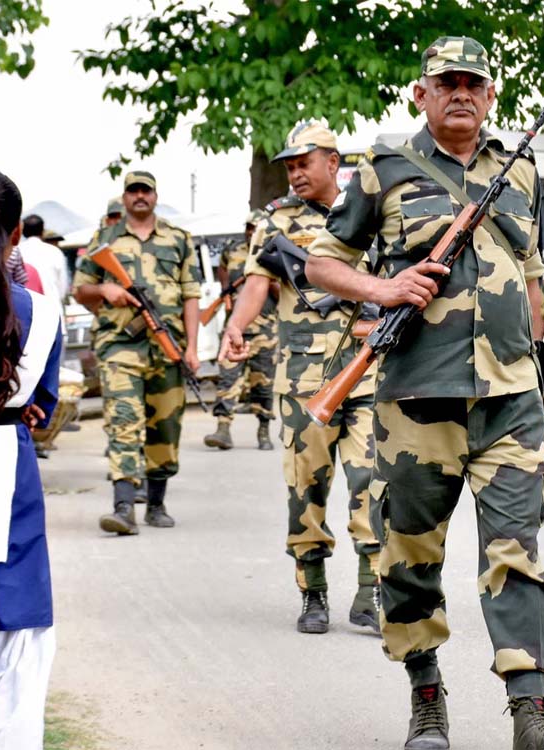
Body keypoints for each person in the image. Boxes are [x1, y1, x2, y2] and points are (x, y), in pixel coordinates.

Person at [305, 35, 544, 750]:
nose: (461, 92)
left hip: (511, 398)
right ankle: (426, 699)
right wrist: (384, 289)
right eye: (447, 82)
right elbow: (322, 263)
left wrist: (538, 357)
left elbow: (530, 271)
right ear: (422, 94)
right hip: (417, 399)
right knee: (410, 556)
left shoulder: (520, 169)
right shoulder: (383, 169)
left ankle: (531, 714)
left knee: (517, 554)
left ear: (490, 95)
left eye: (473, 83)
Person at [218, 121, 381, 636]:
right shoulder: (278, 222)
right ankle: (313, 590)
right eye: (289, 166)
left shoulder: (370, 211)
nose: (295, 173)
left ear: (332, 162)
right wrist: (236, 327)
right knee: (306, 488)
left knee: (372, 481)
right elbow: (256, 284)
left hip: (369, 370)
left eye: (303, 163)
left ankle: (370, 592)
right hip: (305, 379)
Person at [73, 170, 201, 535]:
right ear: (125, 197)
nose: (140, 196)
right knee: (124, 420)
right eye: (133, 191)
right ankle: (124, 507)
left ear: (155, 196)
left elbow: (191, 295)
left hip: (167, 346)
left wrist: (192, 348)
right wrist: (105, 291)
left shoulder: (178, 239)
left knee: (166, 427)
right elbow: (80, 289)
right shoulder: (104, 239)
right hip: (120, 346)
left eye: (146, 190)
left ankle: (156, 504)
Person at [0, 170, 63, 750]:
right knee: (15, 627)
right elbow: (42, 404)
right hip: (5, 470)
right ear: (17, 234)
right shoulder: (42, 310)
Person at [204, 209, 277, 451]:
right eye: (248, 228)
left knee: (263, 383)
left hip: (266, 329)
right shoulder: (233, 249)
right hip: (235, 330)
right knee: (227, 379)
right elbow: (223, 269)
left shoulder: (274, 251)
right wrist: (227, 290)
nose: (251, 232)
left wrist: (264, 278)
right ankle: (223, 429)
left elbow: (283, 292)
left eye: (255, 228)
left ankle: (263, 430)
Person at [18, 214, 69, 313]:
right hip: (52, 309)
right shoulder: (55, 252)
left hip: (25, 311)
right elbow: (62, 288)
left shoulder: (16, 252)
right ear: (42, 231)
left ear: (23, 231)